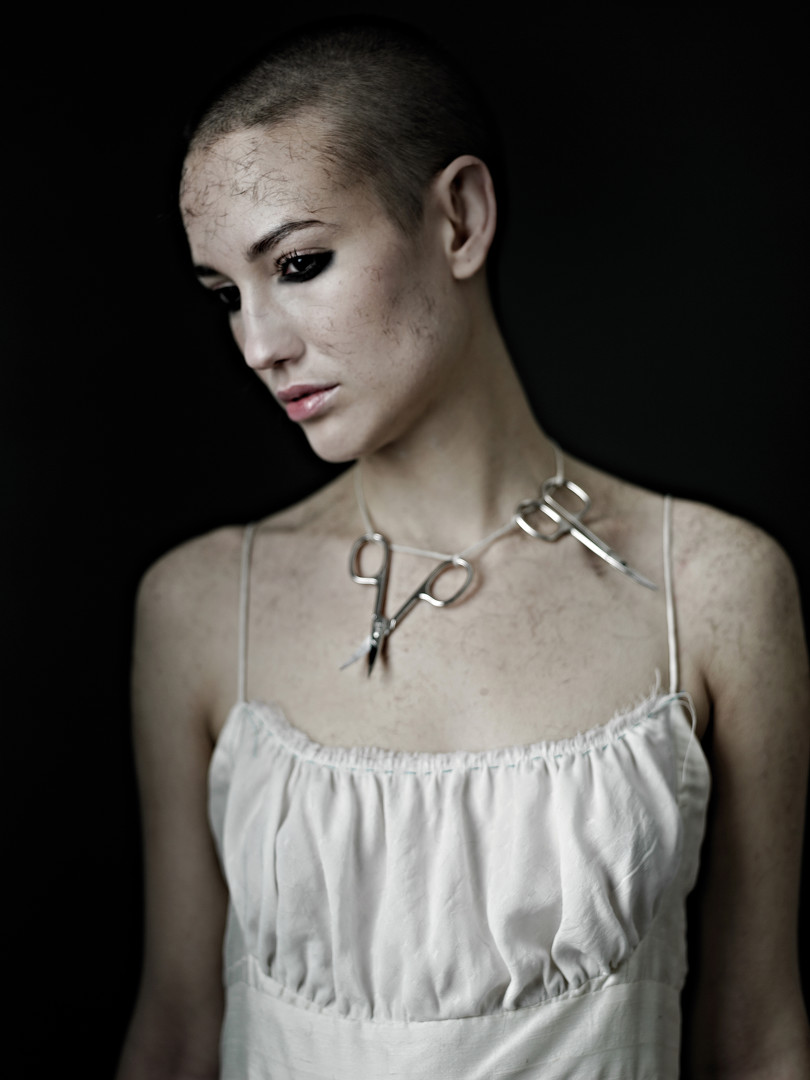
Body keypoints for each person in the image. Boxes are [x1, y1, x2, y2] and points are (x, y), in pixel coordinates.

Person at [115, 16, 810, 1079]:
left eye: (298, 263)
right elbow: (176, 1029)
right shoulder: (201, 602)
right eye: (225, 295)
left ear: (460, 219)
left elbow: (755, 1035)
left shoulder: (712, 587)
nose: (257, 344)